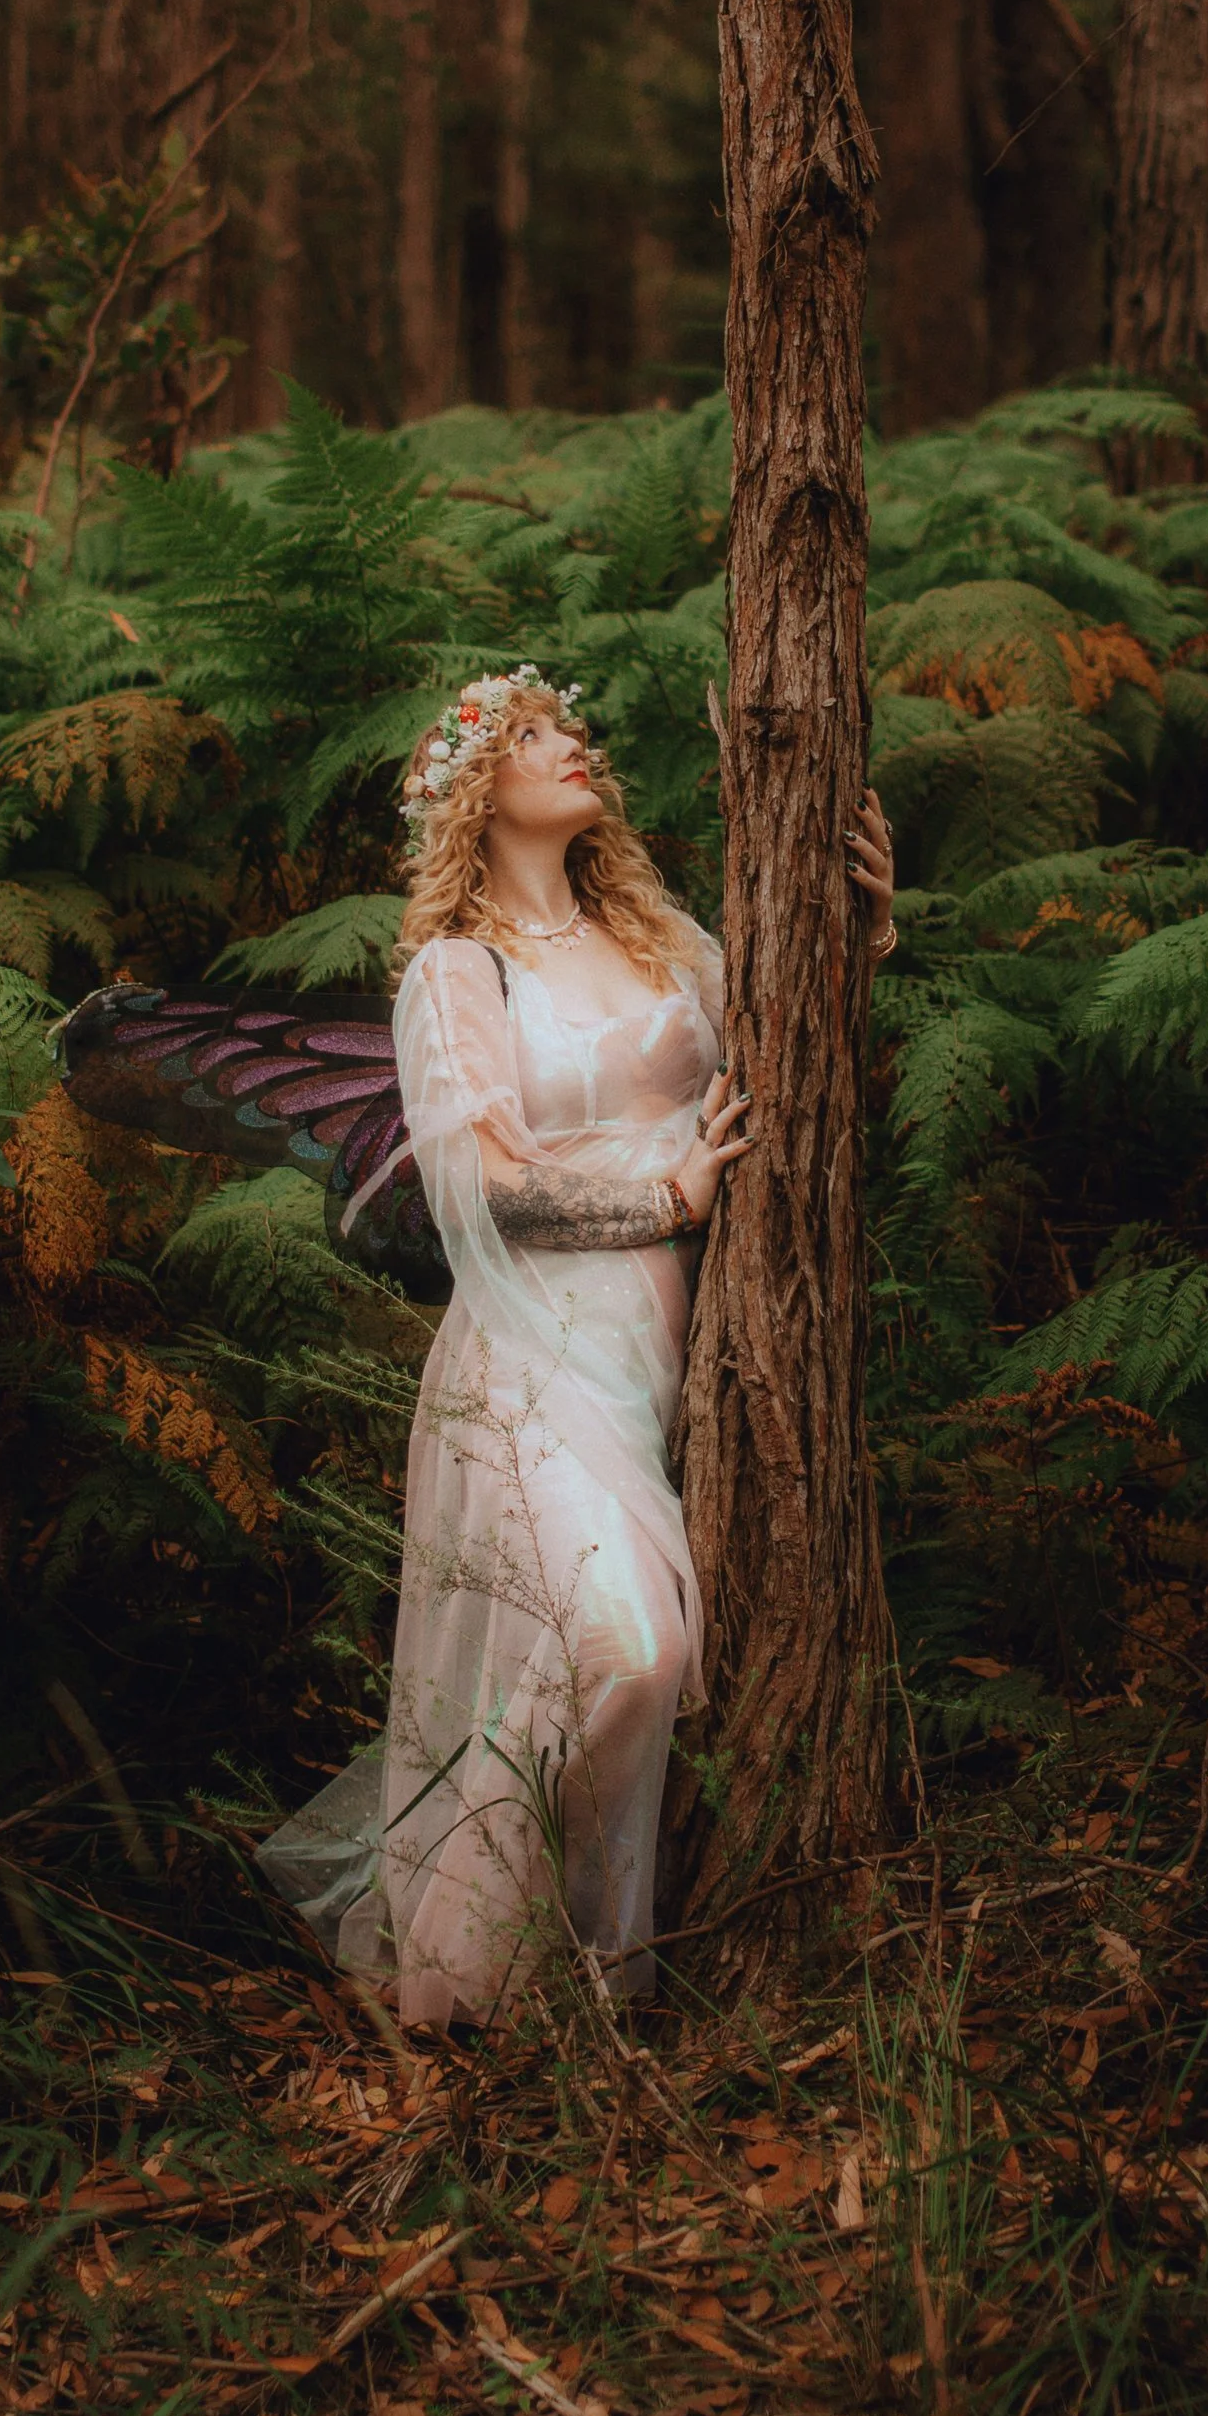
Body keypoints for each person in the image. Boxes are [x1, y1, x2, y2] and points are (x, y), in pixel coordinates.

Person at [259, 666, 894, 2027]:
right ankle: (513, 1981)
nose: (570, 743)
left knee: (610, 1661)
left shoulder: (658, 938)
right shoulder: (456, 973)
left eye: (567, 725)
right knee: (629, 1647)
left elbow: (788, 1056)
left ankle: (556, 1994)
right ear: (475, 793)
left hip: (669, 1350)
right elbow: (484, 1189)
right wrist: (668, 1201)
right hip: (530, 1358)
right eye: (533, 733)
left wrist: (863, 926)